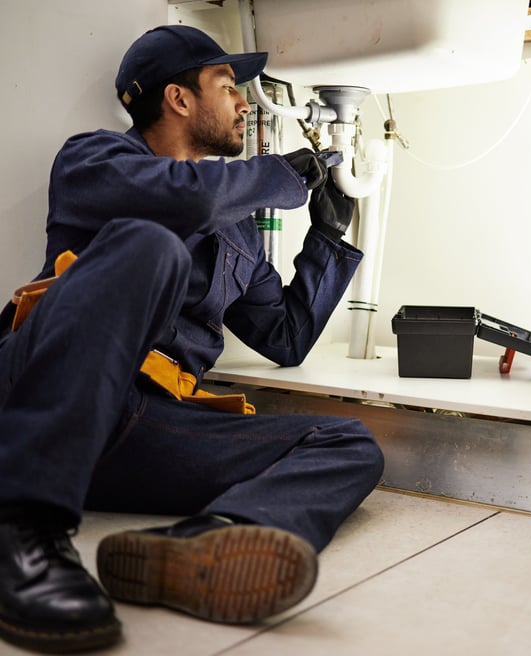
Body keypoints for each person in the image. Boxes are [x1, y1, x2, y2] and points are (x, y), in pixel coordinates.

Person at [0, 24, 384, 654]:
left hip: (143, 427)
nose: (245, 105)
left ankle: (205, 541)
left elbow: (285, 337)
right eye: (228, 86)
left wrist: (327, 239)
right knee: (151, 245)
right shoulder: (92, 160)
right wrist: (276, 177)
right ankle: (22, 527)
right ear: (178, 99)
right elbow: (186, 203)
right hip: (38, 401)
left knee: (348, 442)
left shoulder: (238, 231)